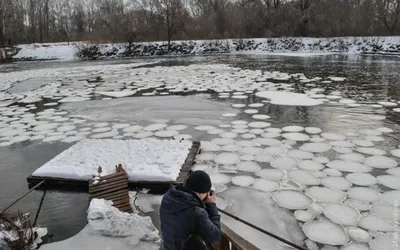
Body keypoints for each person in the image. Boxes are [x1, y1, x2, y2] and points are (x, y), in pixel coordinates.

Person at [160, 170, 221, 250]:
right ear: (203, 192)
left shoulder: (168, 198)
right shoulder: (196, 212)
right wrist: (211, 205)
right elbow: (215, 236)